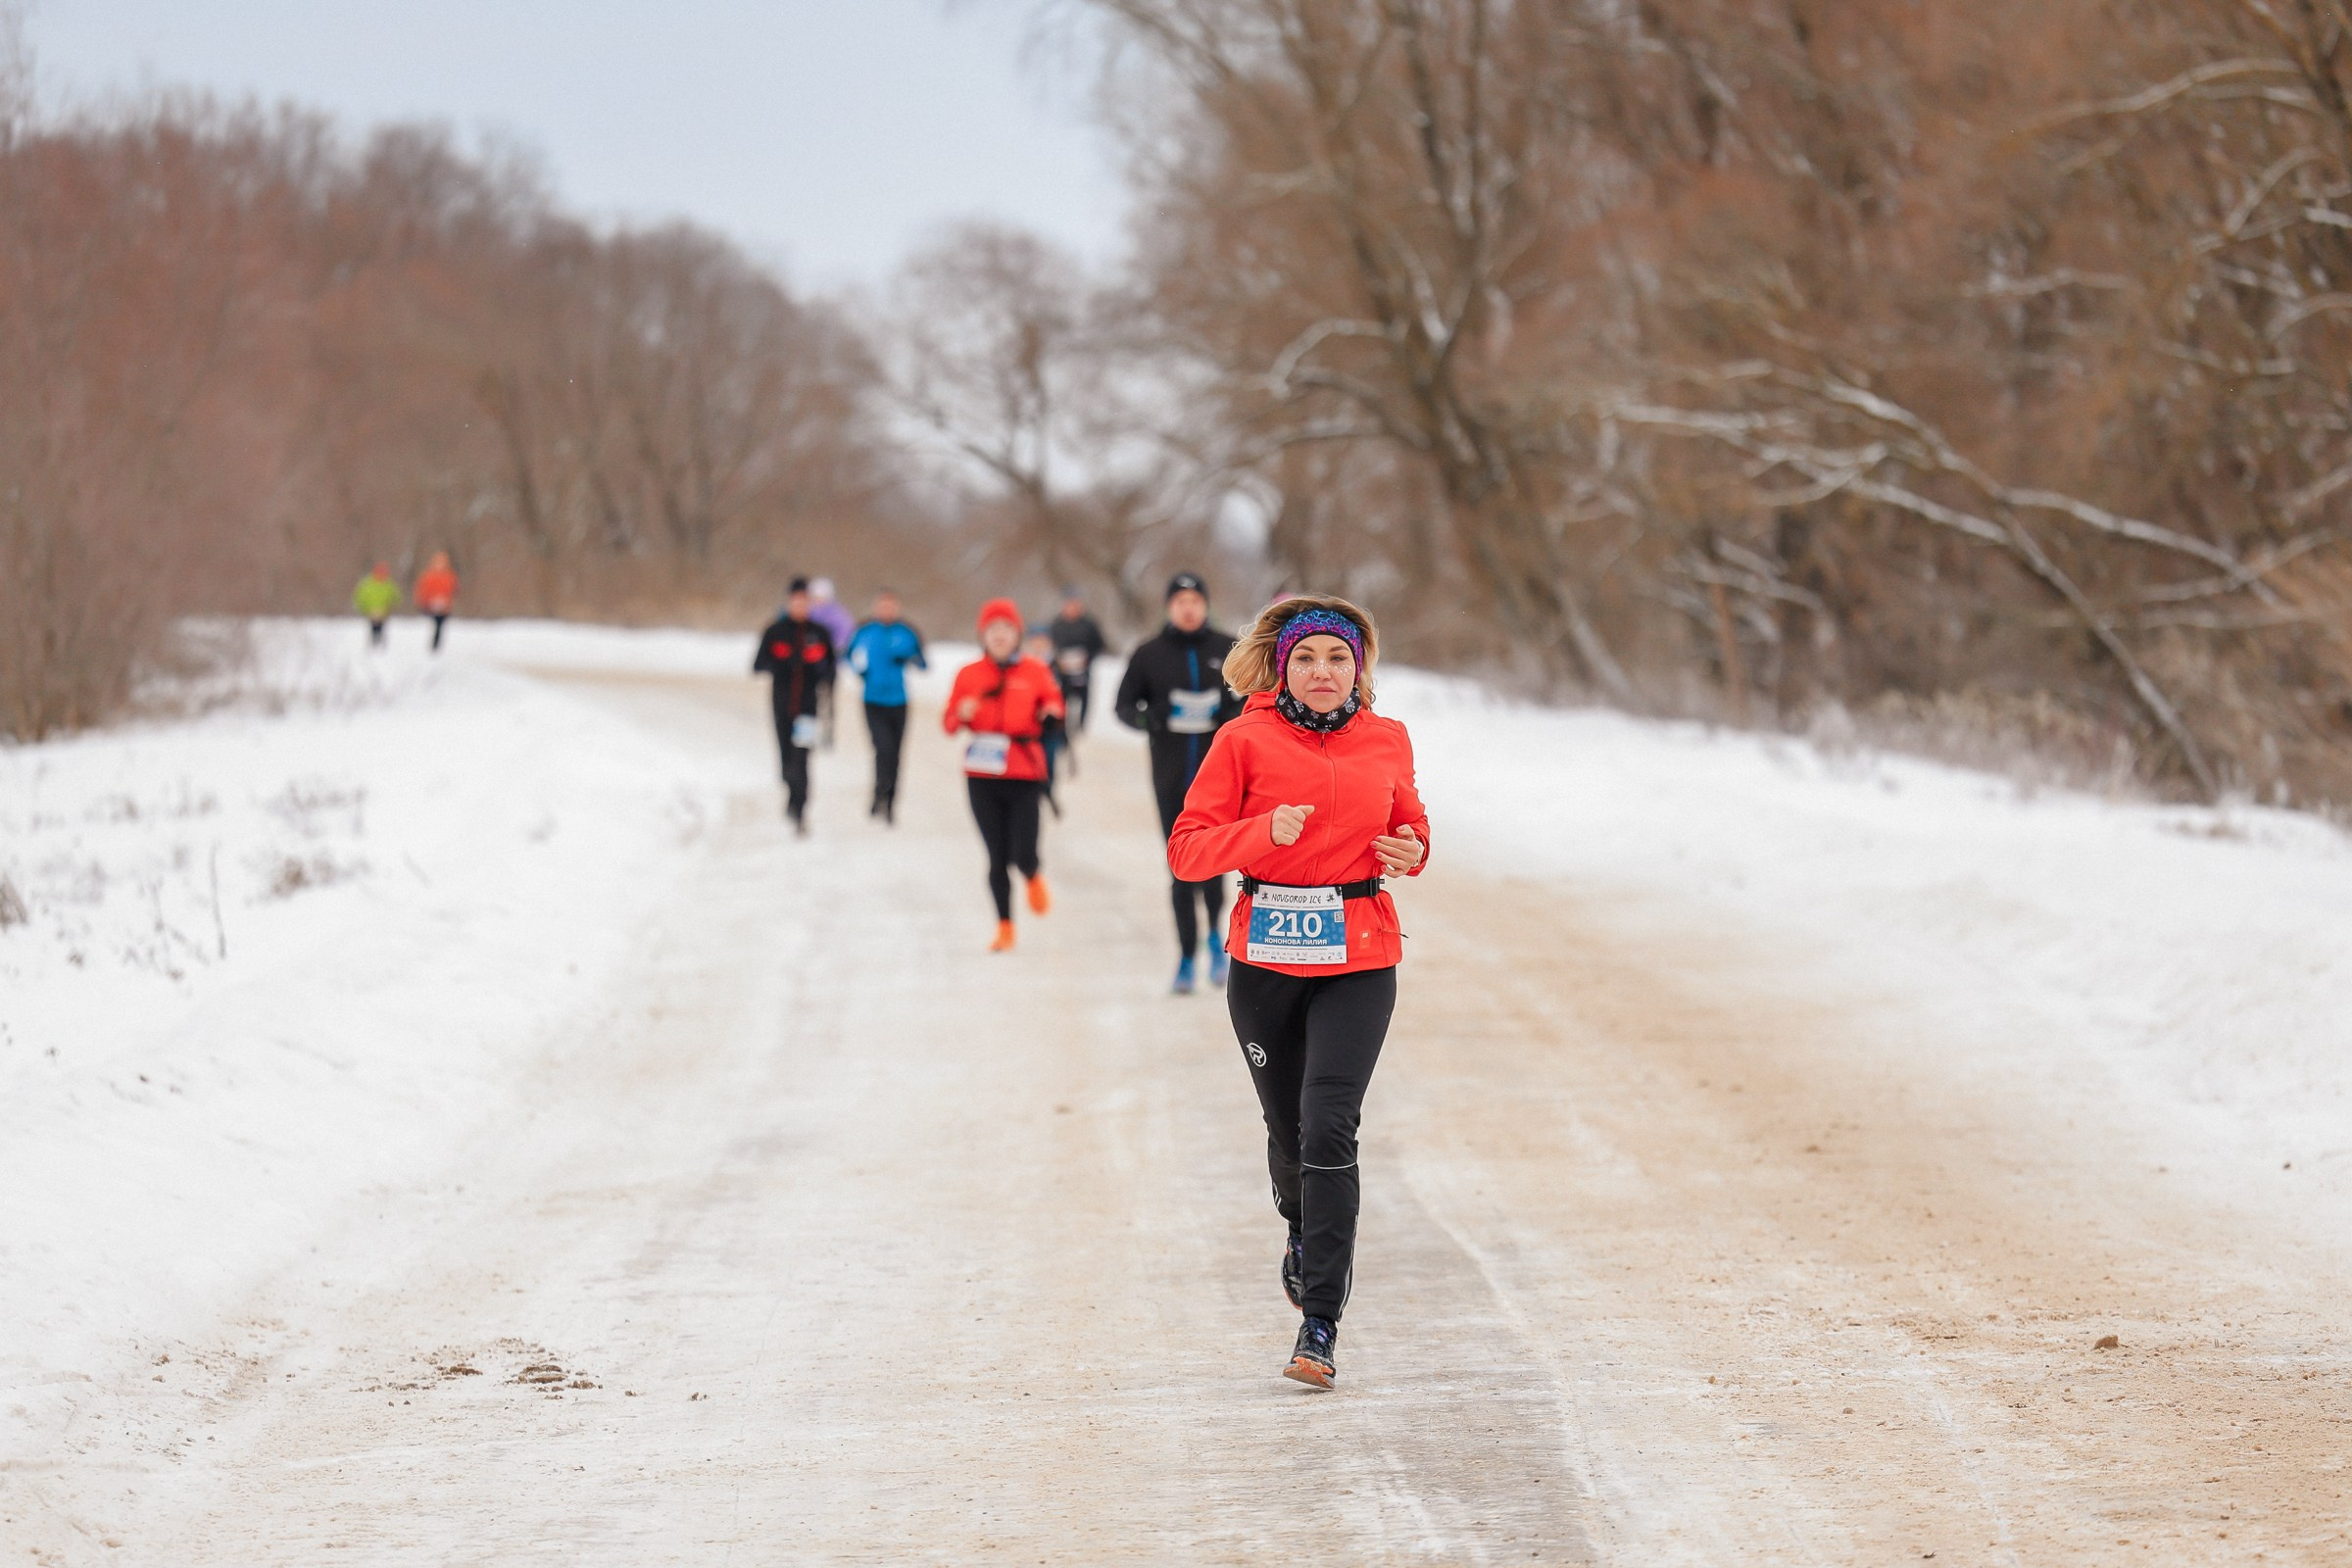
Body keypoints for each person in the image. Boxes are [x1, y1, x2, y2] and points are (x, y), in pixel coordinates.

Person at [1168, 595, 1428, 1391]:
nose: (1323, 672)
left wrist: (1411, 849)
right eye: (1307, 658)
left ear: (1359, 668)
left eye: (1338, 658)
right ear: (1282, 667)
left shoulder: (1388, 738)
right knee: (1289, 1134)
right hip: (1266, 964)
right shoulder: (1242, 740)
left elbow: (1412, 827)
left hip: (1359, 956)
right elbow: (1187, 852)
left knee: (1329, 1125)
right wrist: (1261, 832)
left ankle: (1319, 1324)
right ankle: (1299, 1226)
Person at [1114, 571, 1243, 994]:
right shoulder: (1148, 653)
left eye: (1195, 601)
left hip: (1219, 779)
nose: (1188, 609)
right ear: (1169, 607)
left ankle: (1215, 940)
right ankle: (1186, 956)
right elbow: (1123, 707)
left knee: (1216, 865)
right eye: (1180, 602)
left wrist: (1226, 716)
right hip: (1170, 778)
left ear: (1206, 605)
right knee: (1180, 869)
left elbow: (1252, 701)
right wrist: (1151, 719)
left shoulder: (1228, 649)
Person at [945, 599, 1063, 953]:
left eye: (1006, 628)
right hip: (981, 774)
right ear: (983, 634)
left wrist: (1050, 713)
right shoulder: (968, 674)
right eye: (992, 628)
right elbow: (948, 723)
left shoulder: (1035, 670)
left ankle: (1031, 873)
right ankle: (1005, 926)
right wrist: (962, 714)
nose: (999, 635)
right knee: (996, 856)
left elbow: (1056, 706)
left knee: (1022, 852)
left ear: (1017, 634)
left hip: (1024, 772)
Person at [752, 578, 835, 835]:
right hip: (781, 705)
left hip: (808, 708)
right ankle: (791, 795)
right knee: (787, 760)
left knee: (802, 758)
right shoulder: (775, 631)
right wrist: (783, 663)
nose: (800, 606)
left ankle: (800, 811)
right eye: (796, 602)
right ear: (789, 602)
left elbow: (831, 668)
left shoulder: (819, 633)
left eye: (804, 602)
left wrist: (819, 672)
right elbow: (758, 664)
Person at [845, 589, 927, 824]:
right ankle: (878, 794)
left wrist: (909, 658)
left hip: (899, 701)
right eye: (882, 606)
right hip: (872, 700)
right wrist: (861, 671)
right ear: (875, 607)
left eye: (890, 606)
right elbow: (848, 656)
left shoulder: (907, 632)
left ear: (897, 608)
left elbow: (922, 662)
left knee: (896, 753)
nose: (886, 610)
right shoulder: (865, 631)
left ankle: (890, 802)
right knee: (883, 748)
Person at [1048, 589, 1108, 736]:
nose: (1072, 607)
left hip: (1083, 671)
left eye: (1075, 604)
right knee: (1062, 698)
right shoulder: (1056, 624)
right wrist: (1057, 661)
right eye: (1069, 604)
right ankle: (1062, 730)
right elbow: (1049, 647)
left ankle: (1080, 729)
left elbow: (1100, 645)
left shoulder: (1089, 624)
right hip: (1063, 672)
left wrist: (1087, 658)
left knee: (1084, 699)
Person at [808, 577, 858, 749]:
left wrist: (835, 651)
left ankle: (827, 731)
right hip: (808, 666)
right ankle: (808, 733)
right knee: (808, 700)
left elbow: (847, 635)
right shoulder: (808, 612)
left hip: (828, 665)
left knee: (827, 699)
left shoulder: (838, 614)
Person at [1023, 628, 1066, 816]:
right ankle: (1034, 795)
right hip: (1030, 725)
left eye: (1042, 640)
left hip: (1052, 726)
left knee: (1049, 761)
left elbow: (1067, 691)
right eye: (1036, 640)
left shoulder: (1057, 665)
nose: (1039, 644)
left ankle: (1047, 793)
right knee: (1031, 761)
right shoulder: (1024, 665)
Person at [414, 552, 459, 653]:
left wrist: (447, 600)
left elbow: (453, 589)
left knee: (440, 625)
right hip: (431, 605)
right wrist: (424, 602)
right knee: (433, 624)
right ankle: (432, 645)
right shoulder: (429, 576)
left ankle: (436, 645)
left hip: (444, 606)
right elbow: (423, 589)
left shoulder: (449, 576)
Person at [352, 564, 401, 649]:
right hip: (373, 610)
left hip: (381, 610)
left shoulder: (387, 584)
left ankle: (378, 641)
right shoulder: (369, 584)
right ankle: (375, 641)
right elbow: (360, 596)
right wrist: (363, 607)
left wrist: (392, 604)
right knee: (375, 625)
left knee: (379, 625)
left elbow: (395, 596)